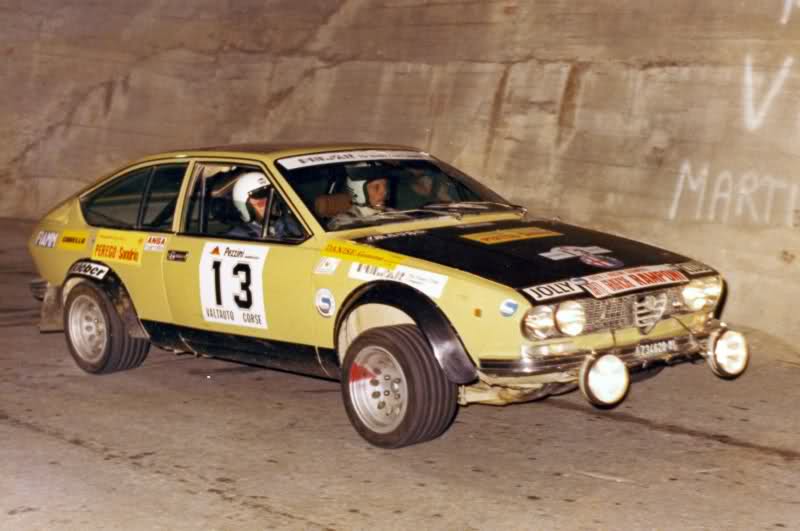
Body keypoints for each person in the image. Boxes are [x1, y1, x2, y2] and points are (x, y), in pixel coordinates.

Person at [229, 172, 302, 239]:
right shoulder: (239, 239)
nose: (271, 206)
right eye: (261, 203)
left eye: (272, 200)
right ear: (244, 208)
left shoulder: (290, 224)